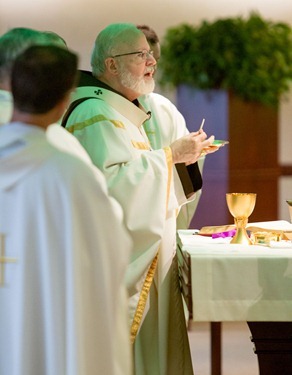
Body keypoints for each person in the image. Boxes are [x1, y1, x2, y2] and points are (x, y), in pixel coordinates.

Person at [62, 23, 216, 375]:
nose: (151, 62)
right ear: (111, 65)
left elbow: (140, 178)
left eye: (151, 55)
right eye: (140, 55)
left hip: (148, 261)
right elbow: (110, 189)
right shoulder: (93, 114)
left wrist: (178, 161)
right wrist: (168, 156)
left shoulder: (121, 113)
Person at [0, 45, 132, 375]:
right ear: (64, 102)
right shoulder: (72, 175)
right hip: (49, 329)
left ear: (12, 89)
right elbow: (112, 250)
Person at [137, 24, 206, 229]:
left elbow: (185, 163)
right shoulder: (105, 109)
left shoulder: (163, 107)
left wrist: (195, 150)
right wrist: (172, 154)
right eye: (146, 59)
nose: (152, 66)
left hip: (163, 210)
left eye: (156, 60)